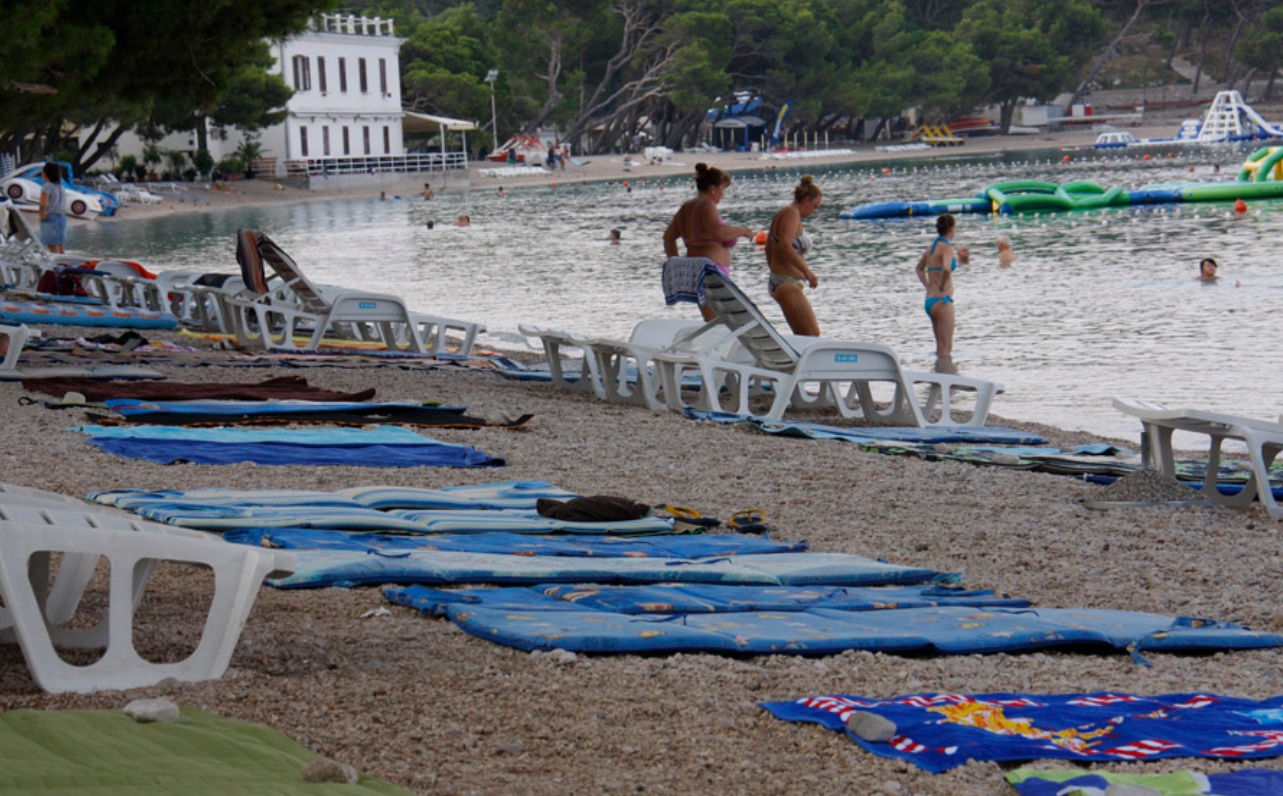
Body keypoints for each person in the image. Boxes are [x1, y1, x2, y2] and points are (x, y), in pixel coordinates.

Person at [662, 162, 753, 321]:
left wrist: (677, 262)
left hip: (698, 272)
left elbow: (668, 237)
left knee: (713, 319)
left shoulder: (687, 207)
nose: (722, 195)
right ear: (713, 189)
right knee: (725, 321)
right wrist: (743, 231)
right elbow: (719, 232)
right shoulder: (706, 204)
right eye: (722, 190)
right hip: (712, 271)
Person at [764, 174, 822, 336]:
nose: (814, 211)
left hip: (782, 281)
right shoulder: (791, 214)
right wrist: (808, 273)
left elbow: (769, 247)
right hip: (786, 283)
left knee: (803, 335)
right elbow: (785, 246)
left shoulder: (783, 213)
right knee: (812, 335)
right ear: (806, 201)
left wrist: (775, 270)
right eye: (815, 206)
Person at [916, 214, 959, 358]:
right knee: (946, 347)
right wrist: (942, 286)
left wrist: (928, 286)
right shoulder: (946, 247)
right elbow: (947, 268)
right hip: (942, 301)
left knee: (939, 347)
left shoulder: (931, 247)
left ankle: (937, 377)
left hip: (929, 300)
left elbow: (919, 269)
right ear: (951, 229)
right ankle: (946, 377)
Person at [38, 162, 67, 254]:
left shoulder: (47, 187)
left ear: (46, 173)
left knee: (52, 245)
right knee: (60, 244)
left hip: (50, 217)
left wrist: (42, 216)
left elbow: (43, 204)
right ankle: (64, 265)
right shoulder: (61, 186)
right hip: (62, 217)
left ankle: (56, 266)